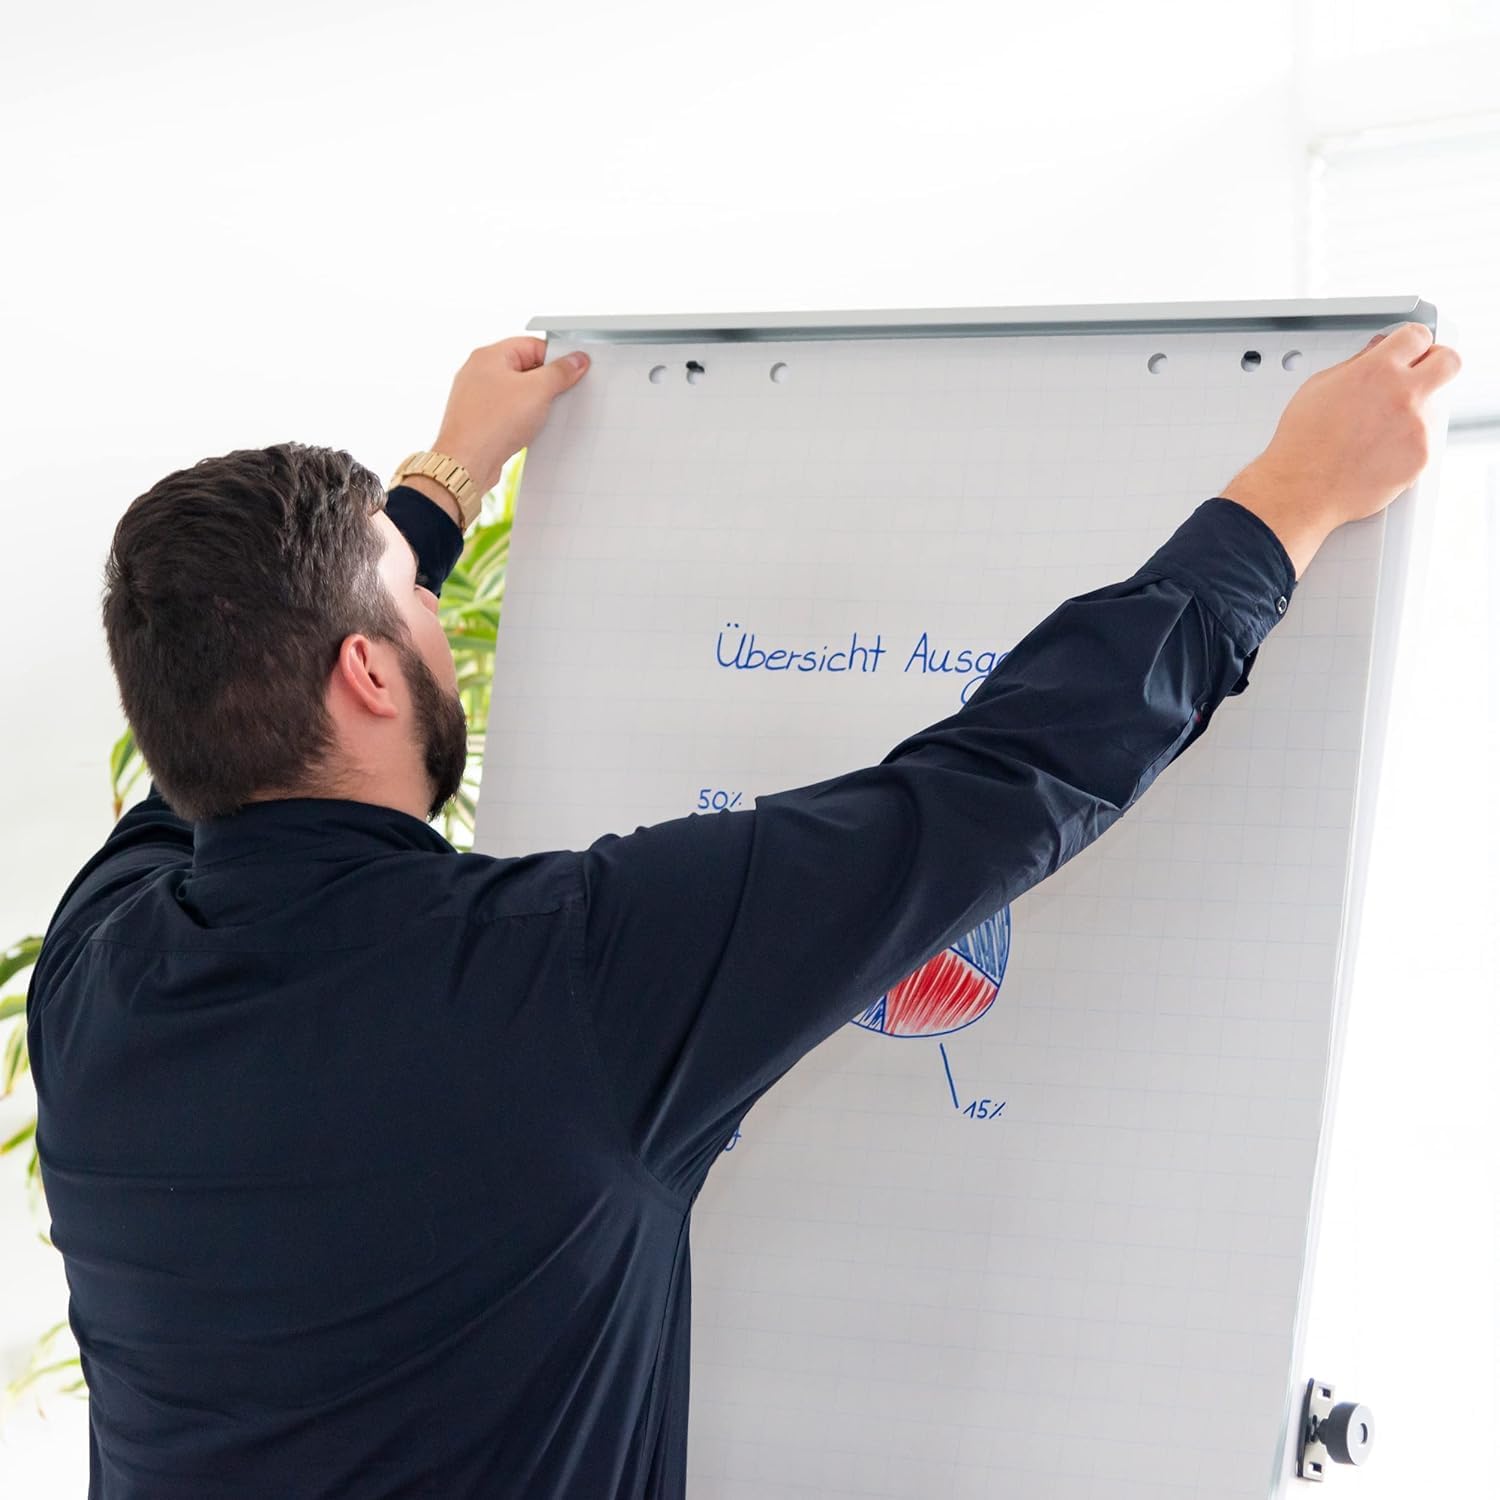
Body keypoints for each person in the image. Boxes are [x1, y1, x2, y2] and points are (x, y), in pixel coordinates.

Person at [27, 325, 1458, 1499]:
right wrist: (1289, 500)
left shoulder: (94, 975)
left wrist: (437, 490)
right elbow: (995, 785)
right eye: (409, 605)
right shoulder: (571, 978)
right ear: (368, 673)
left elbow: (225, 731)